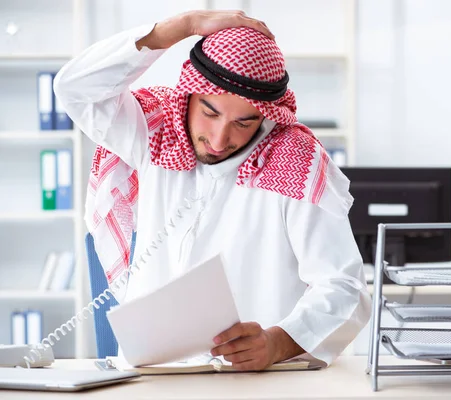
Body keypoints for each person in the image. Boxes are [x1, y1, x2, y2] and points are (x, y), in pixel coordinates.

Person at [54, 10, 371, 371]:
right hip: (150, 378)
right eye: (209, 111)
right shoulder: (154, 130)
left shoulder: (295, 161)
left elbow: (346, 288)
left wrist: (278, 342)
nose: (220, 139)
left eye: (243, 121)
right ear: (187, 95)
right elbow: (74, 88)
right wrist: (181, 27)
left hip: (256, 384)